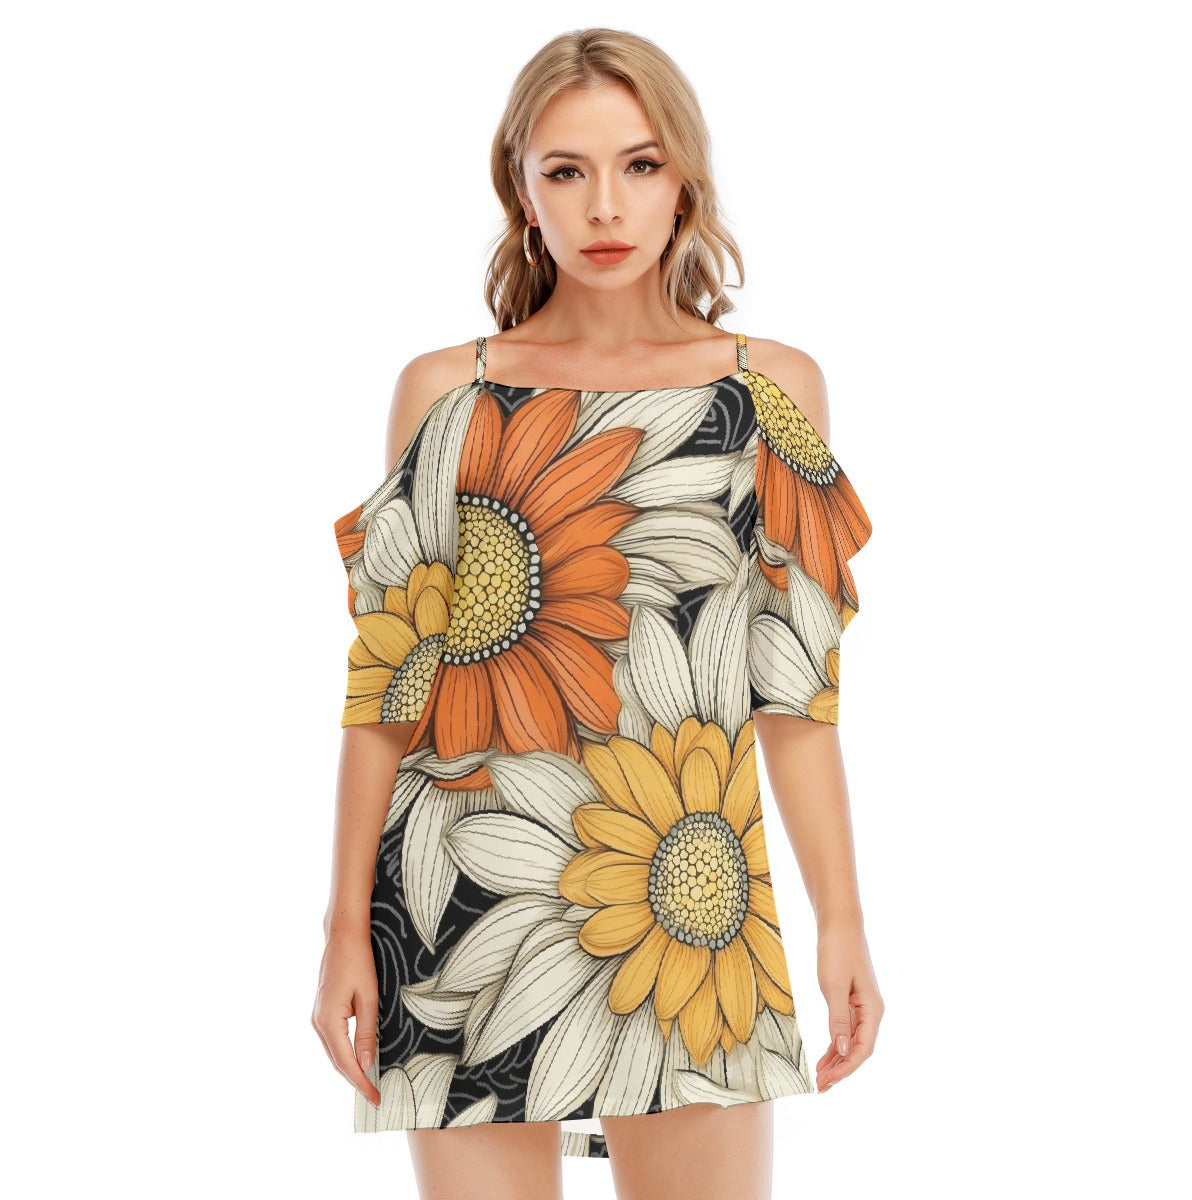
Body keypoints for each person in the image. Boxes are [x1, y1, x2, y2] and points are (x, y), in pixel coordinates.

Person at [311, 26, 883, 1200]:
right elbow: (386, 691)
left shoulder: (768, 395)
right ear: (522, 191)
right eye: (566, 171)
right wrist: (342, 932)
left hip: (694, 910)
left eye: (640, 164)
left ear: (686, 184)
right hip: (461, 897)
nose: (606, 205)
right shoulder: (448, 394)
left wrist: (842, 921)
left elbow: (796, 699)